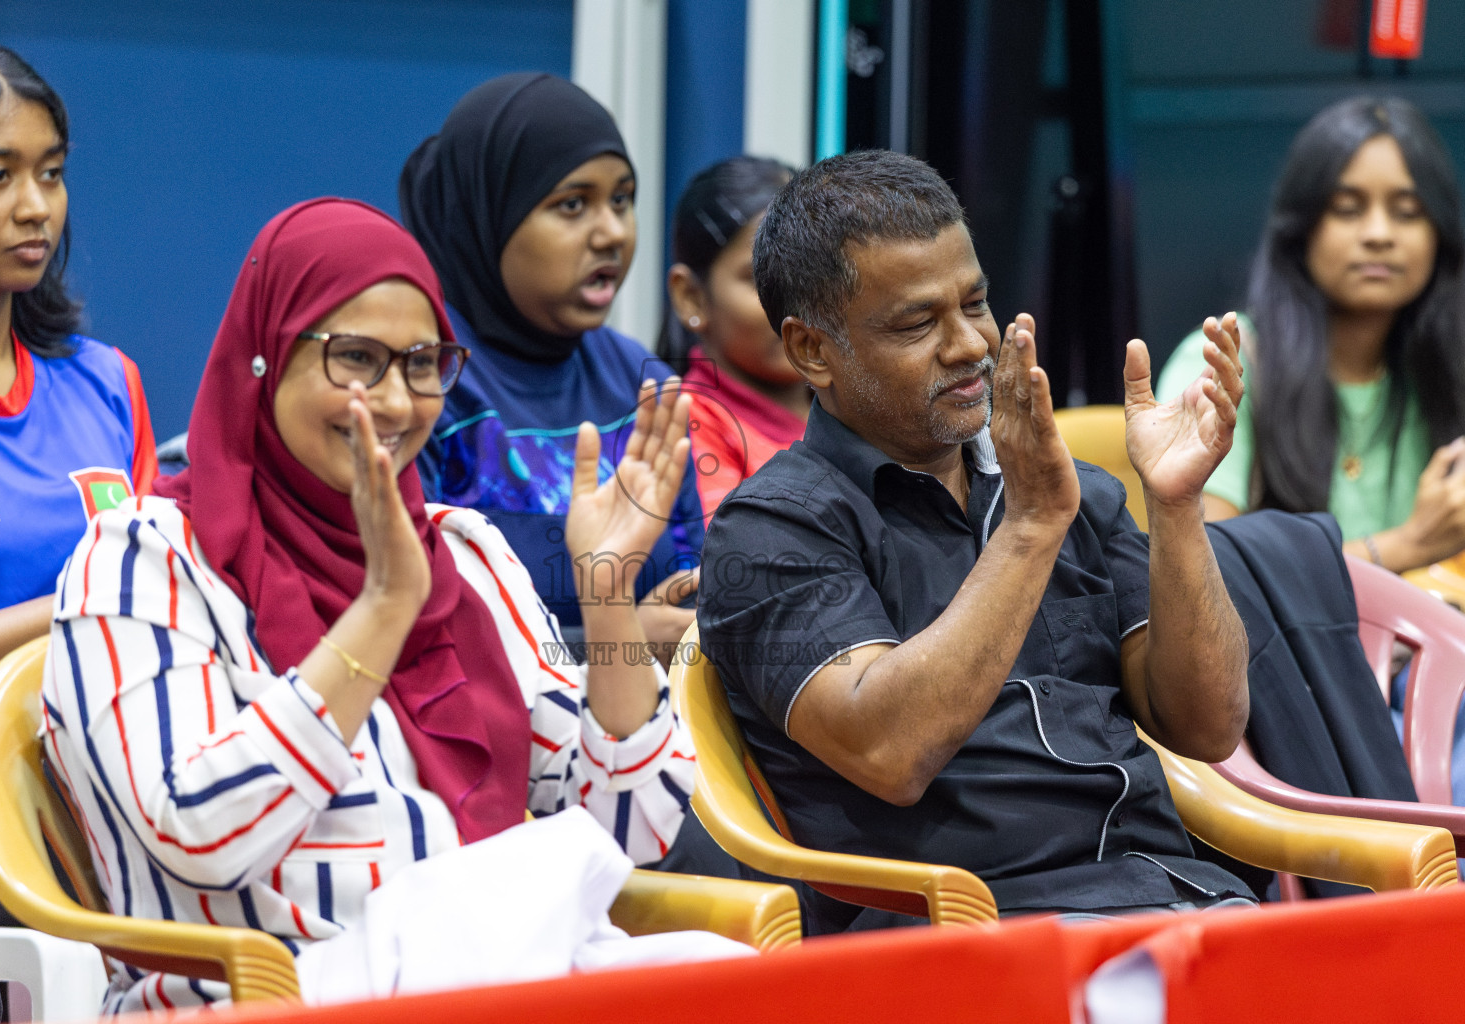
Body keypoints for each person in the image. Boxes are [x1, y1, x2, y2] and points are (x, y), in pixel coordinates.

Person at [41, 199, 709, 1011]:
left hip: (495, 973)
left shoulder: (462, 553)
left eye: (423, 363)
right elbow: (200, 834)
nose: (395, 403)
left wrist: (607, 594)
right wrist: (382, 613)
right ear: (265, 359)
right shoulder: (145, 557)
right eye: (356, 358)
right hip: (272, 997)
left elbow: (631, 826)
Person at [698, 150, 1257, 933]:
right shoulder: (774, 529)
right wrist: (1028, 531)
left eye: (976, 303)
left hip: (1166, 896)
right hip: (957, 934)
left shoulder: (1071, 496)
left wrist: (1176, 507)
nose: (968, 344)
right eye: (917, 323)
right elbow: (889, 752)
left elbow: (1207, 724)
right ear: (813, 350)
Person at [0, 36, 155, 926]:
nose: (36, 208)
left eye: (51, 174)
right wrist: (75, 607)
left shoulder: (106, 380)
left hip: (121, 755)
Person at [399, 73, 703, 659]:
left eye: (622, 199)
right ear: (489, 213)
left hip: (650, 737)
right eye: (572, 204)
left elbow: (695, 589)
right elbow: (416, 628)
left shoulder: (640, 378)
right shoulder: (423, 381)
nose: (612, 232)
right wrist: (618, 645)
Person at [1157, 96, 1465, 575]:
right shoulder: (1224, 360)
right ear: (1300, 229)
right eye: (1347, 209)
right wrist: (1408, 545)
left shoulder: (1449, 364)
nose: (1380, 233)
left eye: (1408, 212)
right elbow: (1208, 580)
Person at [659, 156, 807, 516]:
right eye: (763, 279)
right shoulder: (689, 428)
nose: (801, 300)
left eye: (816, 273)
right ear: (691, 296)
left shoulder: (854, 405)